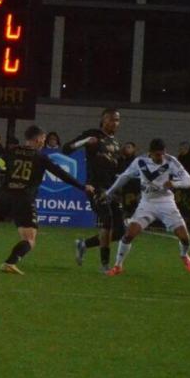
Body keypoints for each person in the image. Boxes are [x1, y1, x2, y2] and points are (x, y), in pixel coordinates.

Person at [0, 126, 94, 274]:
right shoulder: (40, 157)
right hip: (23, 199)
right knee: (30, 239)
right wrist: (82, 187)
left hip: (4, 197)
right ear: (38, 139)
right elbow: (61, 174)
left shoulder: (11, 152)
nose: (43, 143)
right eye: (43, 140)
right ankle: (10, 262)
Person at [103, 138, 190, 276]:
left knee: (185, 239)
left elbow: (189, 181)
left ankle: (184, 255)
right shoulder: (140, 162)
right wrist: (109, 192)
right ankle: (118, 266)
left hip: (166, 203)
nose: (160, 157)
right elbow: (125, 176)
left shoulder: (171, 161)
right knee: (129, 234)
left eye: (162, 154)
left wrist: (175, 183)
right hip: (147, 203)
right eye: (157, 154)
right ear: (150, 153)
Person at [63, 108, 123, 271]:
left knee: (120, 232)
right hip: (95, 186)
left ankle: (84, 244)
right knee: (107, 219)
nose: (114, 123)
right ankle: (105, 266)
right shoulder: (93, 134)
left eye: (117, 120)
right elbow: (66, 148)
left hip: (112, 189)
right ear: (103, 119)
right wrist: (85, 141)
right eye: (111, 119)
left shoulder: (115, 142)